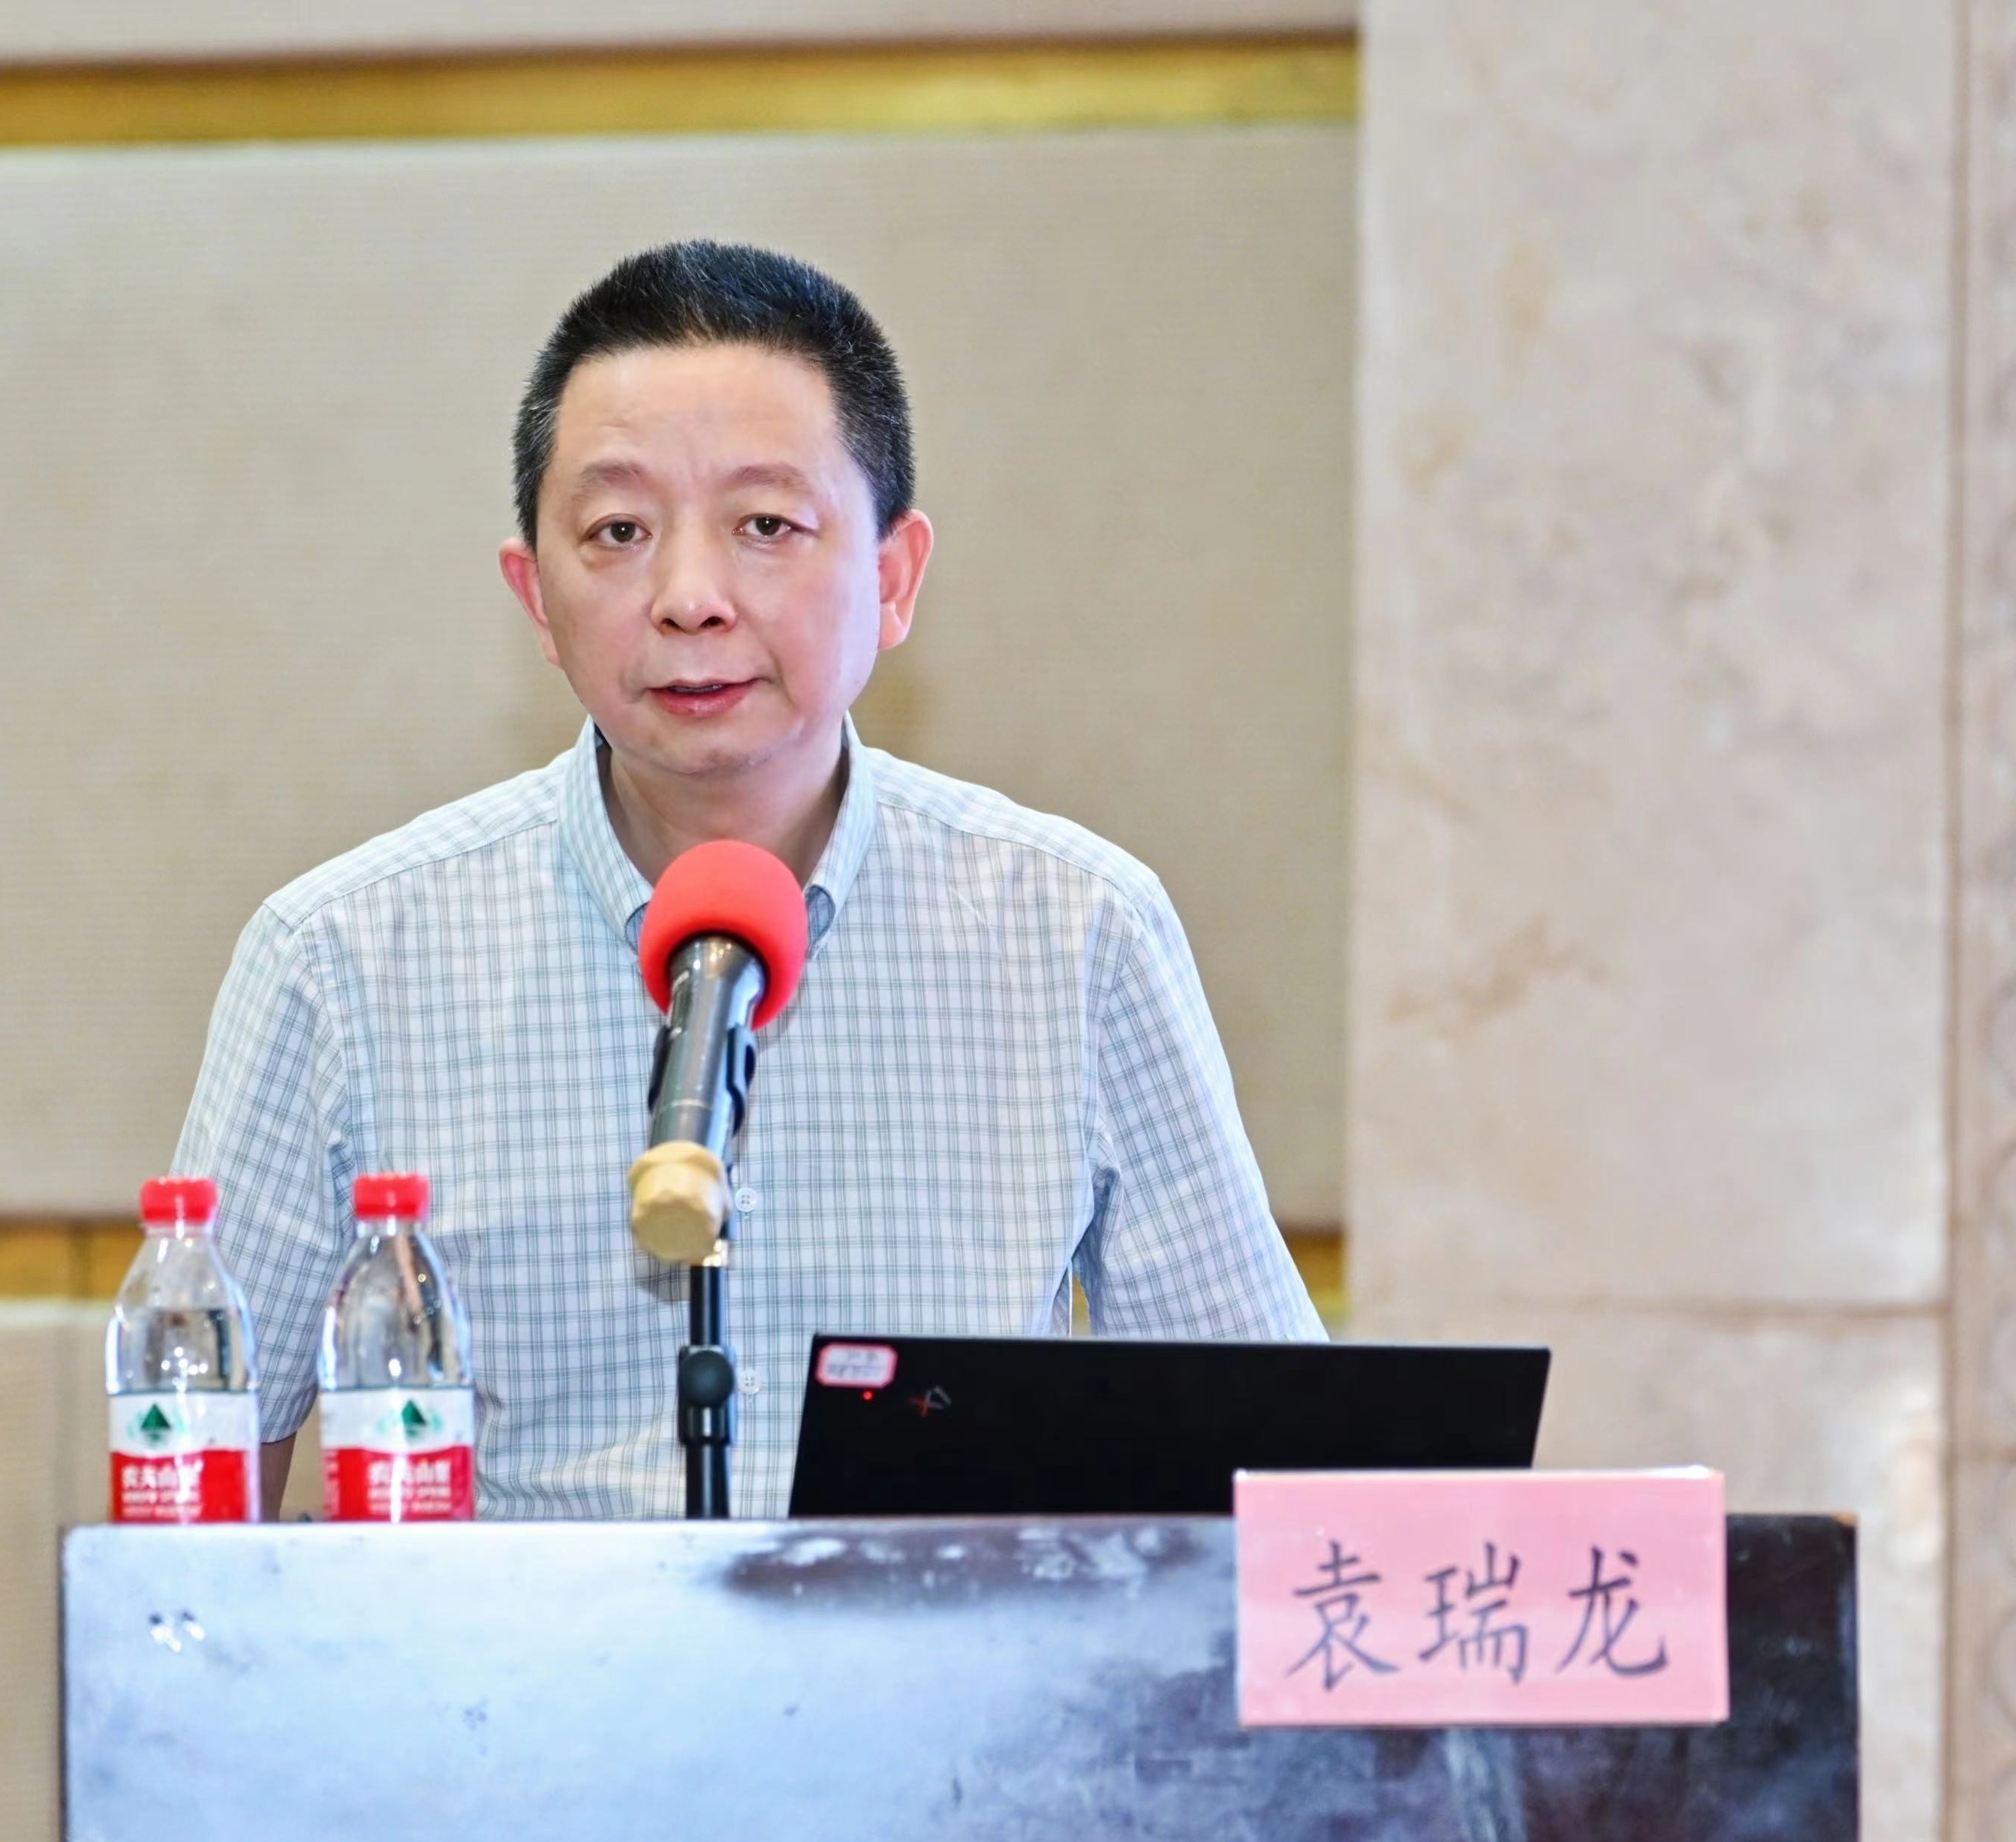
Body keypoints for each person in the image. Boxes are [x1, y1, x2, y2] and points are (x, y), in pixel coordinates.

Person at [177, 239, 1322, 1519]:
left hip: (933, 1652)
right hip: (514, 1656)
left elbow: (1271, 1466)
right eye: (618, 532)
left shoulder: (1078, 933)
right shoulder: (341, 960)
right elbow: (196, 1504)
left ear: (892, 578)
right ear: (535, 597)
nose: (690, 598)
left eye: (766, 525)